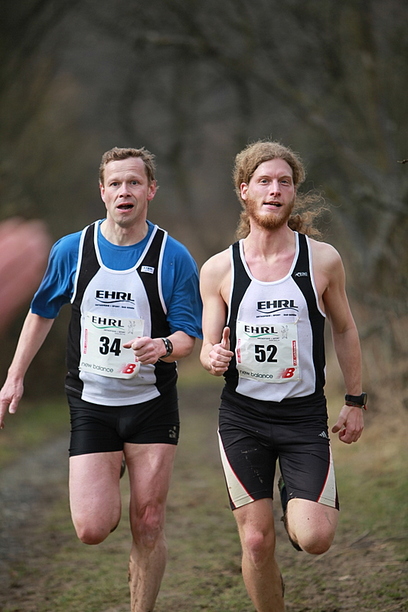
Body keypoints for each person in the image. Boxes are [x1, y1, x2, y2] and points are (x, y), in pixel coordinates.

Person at [0, 147, 202, 612]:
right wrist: (14, 377)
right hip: (92, 404)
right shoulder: (72, 250)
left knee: (148, 522)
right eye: (115, 183)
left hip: (151, 403)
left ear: (150, 190)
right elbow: (41, 312)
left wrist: (163, 346)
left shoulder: (173, 256)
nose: (124, 191)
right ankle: (110, 473)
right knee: (91, 528)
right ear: (102, 191)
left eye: (134, 182)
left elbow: (187, 336)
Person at [199, 140, 365, 611]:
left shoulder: (322, 259)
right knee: (255, 542)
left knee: (315, 538)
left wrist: (355, 401)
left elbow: (345, 329)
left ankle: (295, 497)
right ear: (244, 190)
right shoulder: (218, 269)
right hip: (242, 419)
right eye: (264, 181)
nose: (274, 190)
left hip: (303, 419)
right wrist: (213, 357)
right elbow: (209, 346)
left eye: (284, 182)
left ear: (294, 193)